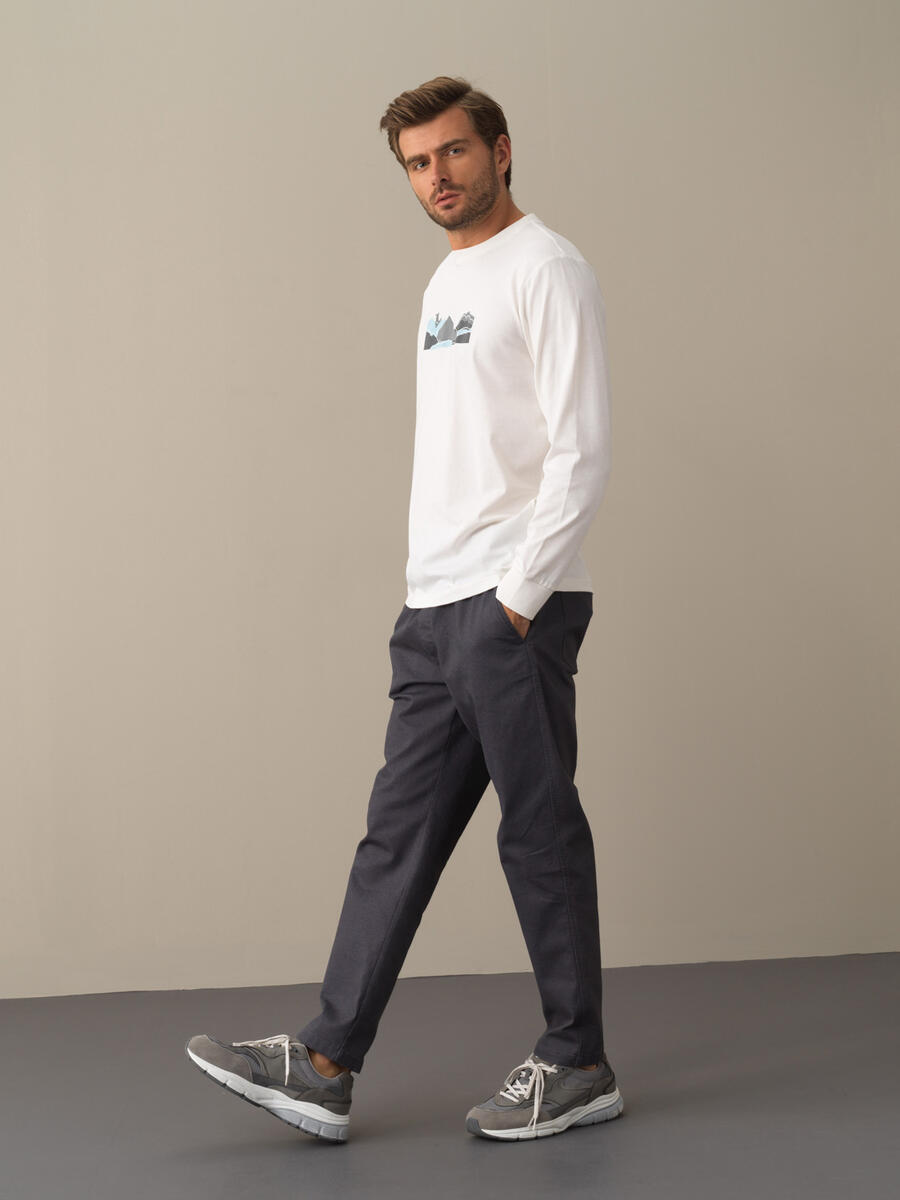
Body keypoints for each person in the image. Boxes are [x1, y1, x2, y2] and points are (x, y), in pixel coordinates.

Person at [185, 74, 623, 1144]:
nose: (437, 177)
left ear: (501, 150)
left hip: (508, 607)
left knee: (537, 832)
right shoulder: (445, 281)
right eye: (418, 164)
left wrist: (515, 603)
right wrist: (435, 599)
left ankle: (578, 1061)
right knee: (396, 837)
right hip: (433, 610)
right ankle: (325, 1064)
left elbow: (582, 447)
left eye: (453, 153)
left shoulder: (547, 268)